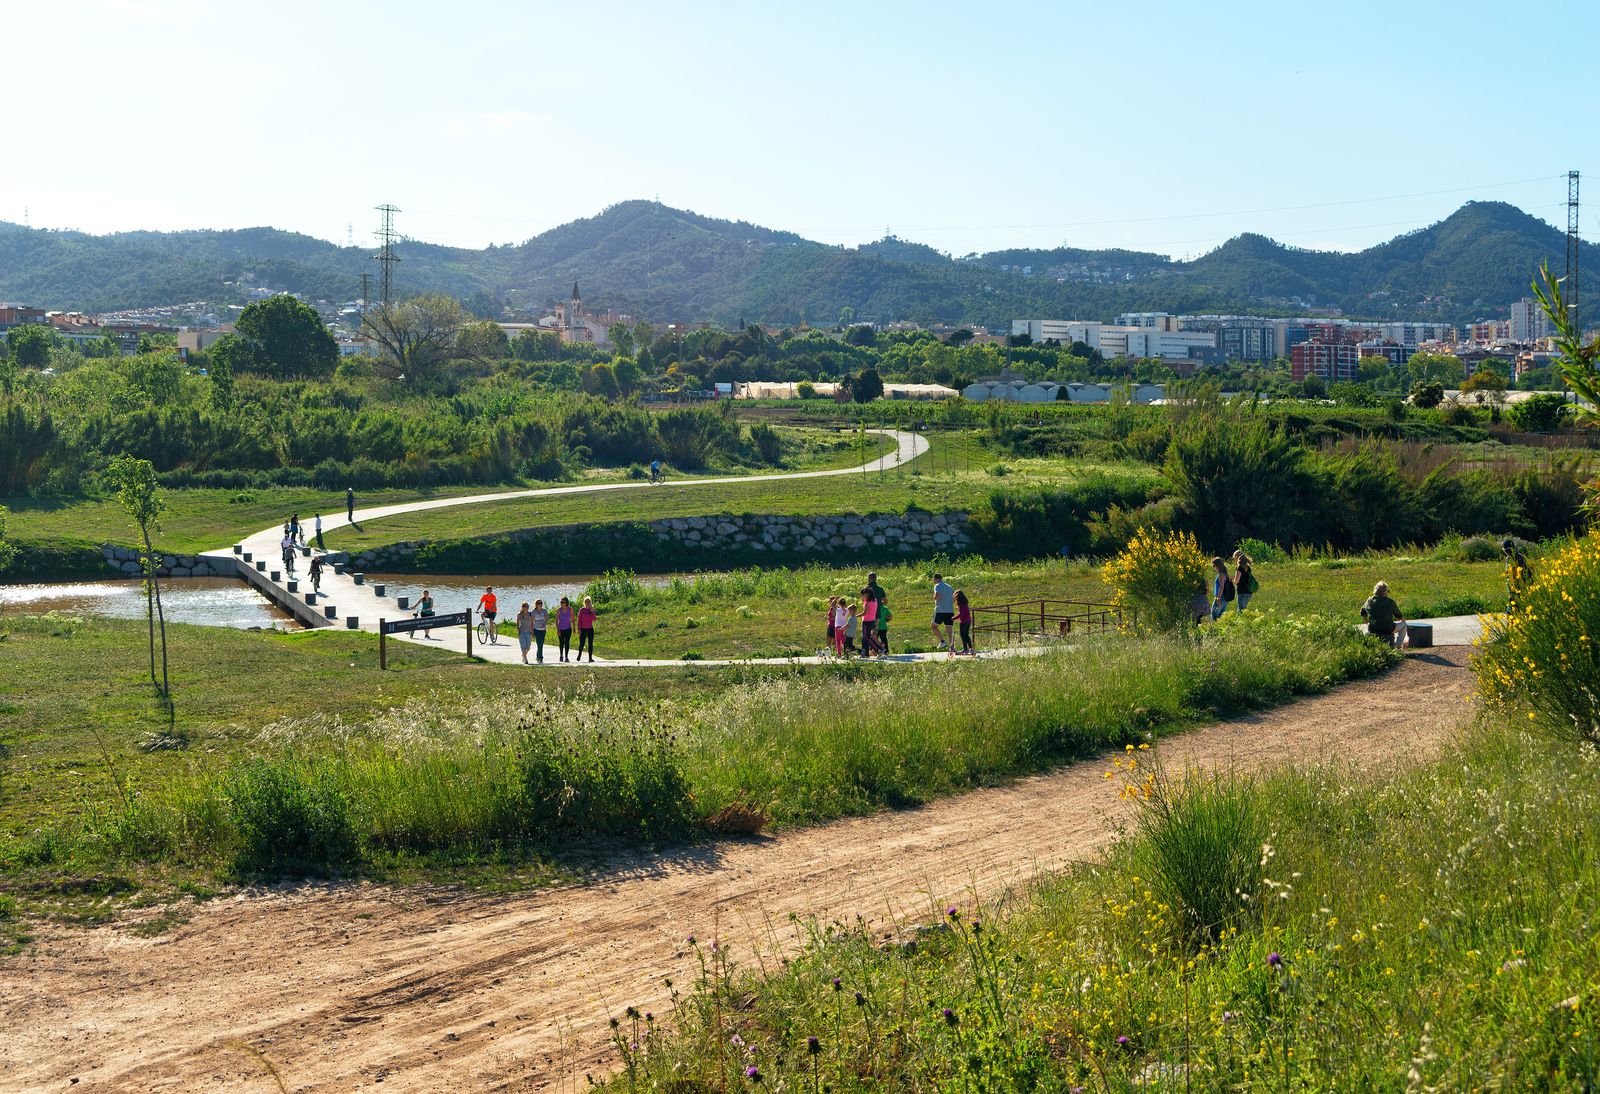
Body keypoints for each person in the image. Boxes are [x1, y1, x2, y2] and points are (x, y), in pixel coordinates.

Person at [1361, 580, 1408, 648]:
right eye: (1388, 591)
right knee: (1404, 625)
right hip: (1388, 628)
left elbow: (1362, 610)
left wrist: (1365, 619)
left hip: (1373, 629)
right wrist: (1402, 619)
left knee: (1366, 631)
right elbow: (1398, 615)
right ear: (1384, 592)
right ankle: (1397, 646)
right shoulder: (1390, 602)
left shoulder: (1369, 601)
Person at [1502, 539, 1533, 610]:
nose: (1506, 552)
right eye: (1505, 551)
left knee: (1517, 604)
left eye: (1507, 550)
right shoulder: (1508, 559)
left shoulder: (1519, 558)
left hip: (1521, 585)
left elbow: (1525, 572)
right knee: (1513, 604)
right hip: (1513, 586)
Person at [930, 573, 955, 649]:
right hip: (950, 611)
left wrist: (934, 597)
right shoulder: (949, 587)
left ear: (936, 579)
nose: (933, 581)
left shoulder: (937, 586)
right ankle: (952, 647)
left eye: (934, 579)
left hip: (940, 610)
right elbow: (954, 598)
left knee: (933, 627)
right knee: (949, 630)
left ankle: (942, 641)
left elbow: (937, 596)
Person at [1209, 557, 1235, 621]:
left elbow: (1221, 586)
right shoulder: (1225, 573)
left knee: (1214, 614)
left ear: (1217, 565)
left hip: (1221, 596)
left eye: (1213, 565)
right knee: (1220, 615)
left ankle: (1214, 629)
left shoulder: (1221, 574)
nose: (1213, 567)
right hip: (1225, 596)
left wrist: (1219, 597)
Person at [859, 587, 881, 656]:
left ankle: (879, 649)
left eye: (863, 595)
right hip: (872, 621)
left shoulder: (867, 603)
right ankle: (865, 653)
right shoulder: (875, 600)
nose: (862, 596)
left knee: (867, 638)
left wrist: (856, 615)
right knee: (864, 638)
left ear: (867, 594)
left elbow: (865, 613)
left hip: (866, 622)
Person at [577, 595, 597, 662]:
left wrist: (592, 611)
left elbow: (594, 619)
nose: (588, 604)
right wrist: (579, 629)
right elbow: (579, 620)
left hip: (590, 628)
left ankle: (590, 658)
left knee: (590, 643)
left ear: (591, 602)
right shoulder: (581, 610)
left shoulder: (592, 610)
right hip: (583, 628)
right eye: (586, 602)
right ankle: (579, 655)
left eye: (589, 602)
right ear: (584, 603)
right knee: (582, 643)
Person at [955, 589, 974, 655]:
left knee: (963, 635)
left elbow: (961, 614)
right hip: (968, 621)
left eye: (956, 597)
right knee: (966, 635)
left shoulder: (961, 604)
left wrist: (954, 618)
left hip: (964, 622)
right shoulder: (965, 603)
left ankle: (965, 649)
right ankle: (971, 649)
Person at [556, 596, 574, 662]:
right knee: (561, 643)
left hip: (568, 629)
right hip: (561, 629)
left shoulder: (570, 609)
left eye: (563, 602)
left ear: (566, 603)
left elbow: (573, 618)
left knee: (567, 643)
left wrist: (574, 627)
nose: (561, 603)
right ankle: (561, 655)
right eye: (561, 602)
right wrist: (558, 630)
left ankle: (566, 657)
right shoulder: (558, 610)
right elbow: (556, 620)